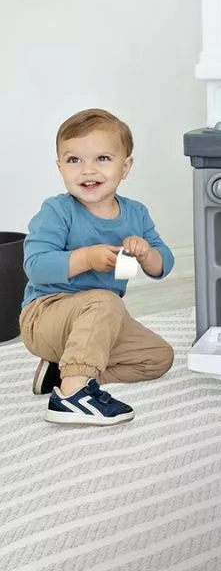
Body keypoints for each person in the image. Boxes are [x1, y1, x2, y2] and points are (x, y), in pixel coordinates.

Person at [20, 109, 175, 424]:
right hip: (46, 315)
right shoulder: (57, 211)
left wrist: (146, 253)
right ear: (60, 166)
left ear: (125, 166)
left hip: (99, 322)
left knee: (158, 357)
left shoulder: (136, 214)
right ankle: (73, 394)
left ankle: (65, 373)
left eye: (102, 158)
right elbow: (35, 266)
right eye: (74, 160)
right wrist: (86, 258)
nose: (87, 170)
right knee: (105, 300)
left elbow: (163, 264)